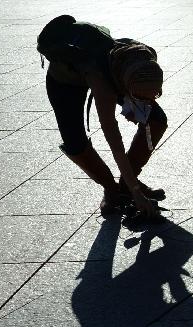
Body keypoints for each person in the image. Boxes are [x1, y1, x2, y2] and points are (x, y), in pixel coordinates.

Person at [38, 16, 167, 217]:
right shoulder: (103, 84)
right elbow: (113, 137)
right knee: (74, 141)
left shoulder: (145, 60)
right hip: (65, 82)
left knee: (157, 120)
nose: (147, 102)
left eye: (153, 95)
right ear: (126, 88)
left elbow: (146, 96)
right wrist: (137, 193)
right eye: (138, 98)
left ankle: (126, 183)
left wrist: (140, 104)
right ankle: (111, 189)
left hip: (115, 73)